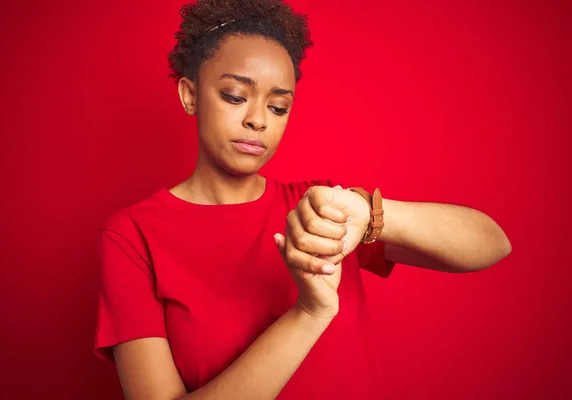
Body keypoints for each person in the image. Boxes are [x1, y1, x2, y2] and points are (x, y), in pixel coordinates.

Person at [93, 0, 512, 399]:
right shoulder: (133, 234)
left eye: (278, 107)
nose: (258, 119)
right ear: (189, 95)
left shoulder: (320, 210)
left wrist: (368, 214)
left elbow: (492, 244)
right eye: (235, 96)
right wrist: (308, 314)